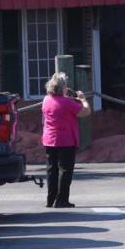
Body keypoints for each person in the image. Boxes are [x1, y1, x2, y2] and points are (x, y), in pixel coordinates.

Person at [41, 72, 90, 208]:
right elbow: (85, 112)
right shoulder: (68, 102)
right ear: (63, 87)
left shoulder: (46, 100)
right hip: (66, 140)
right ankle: (62, 200)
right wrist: (83, 99)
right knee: (65, 170)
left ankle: (50, 199)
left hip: (49, 139)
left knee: (52, 170)